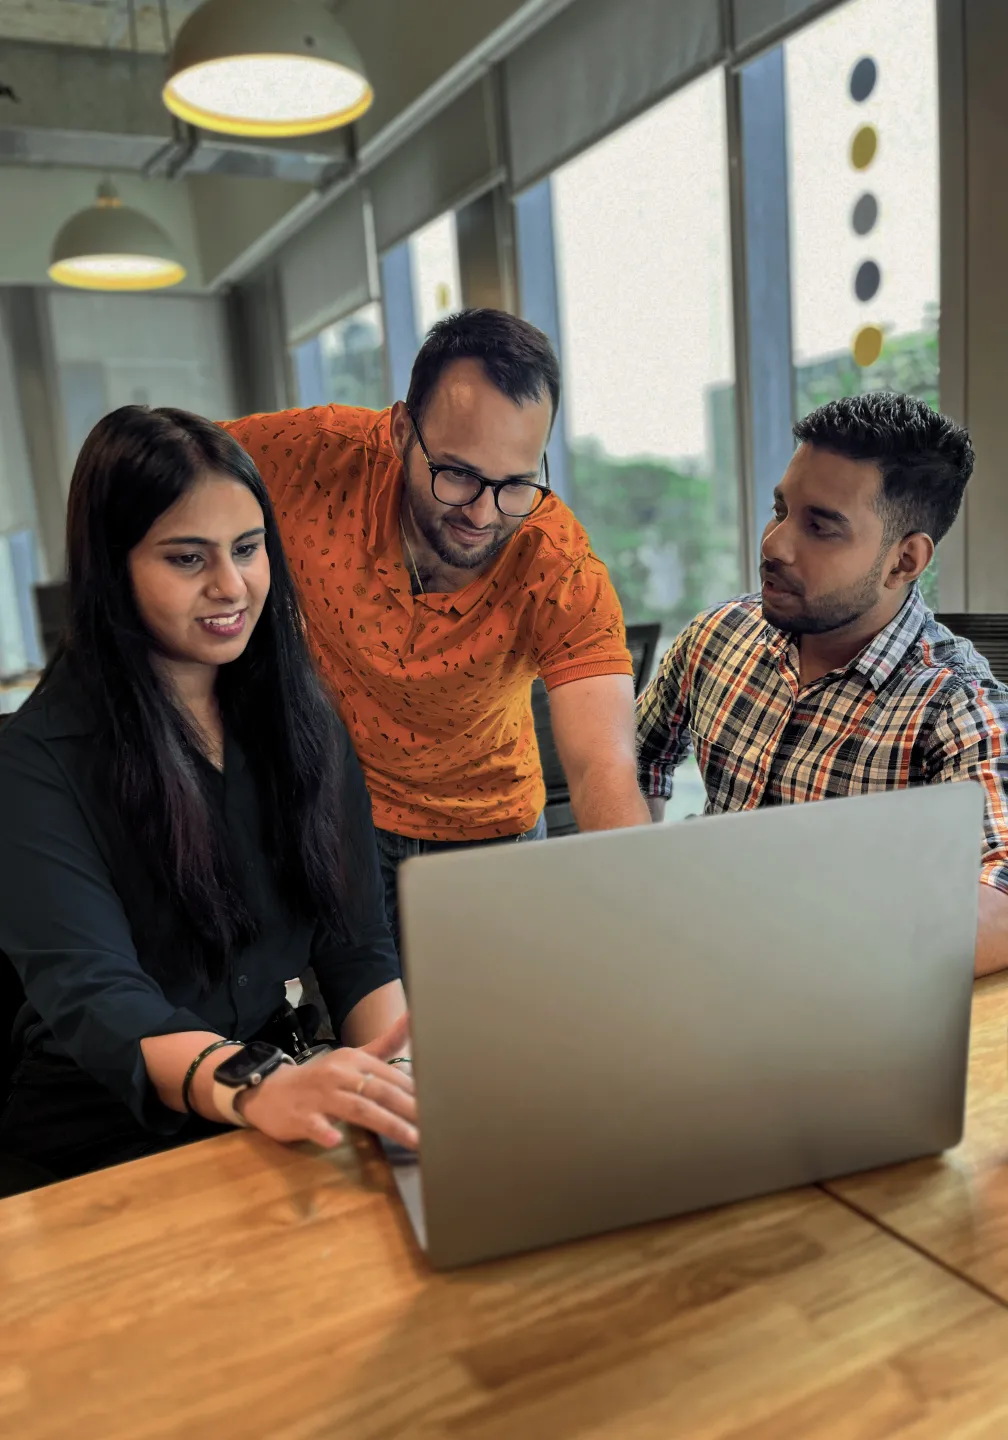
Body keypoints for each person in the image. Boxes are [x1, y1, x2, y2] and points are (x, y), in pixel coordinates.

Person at [0, 406, 418, 1187]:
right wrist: (258, 1085)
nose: (231, 586)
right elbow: (100, 997)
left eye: (249, 549)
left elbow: (356, 946)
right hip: (94, 1152)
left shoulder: (304, 722)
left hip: (272, 1119)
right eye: (187, 558)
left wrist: (405, 1085)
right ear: (113, 568)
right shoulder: (35, 762)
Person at [224, 309, 648, 944]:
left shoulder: (558, 565)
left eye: (515, 484)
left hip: (491, 834)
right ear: (401, 431)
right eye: (458, 473)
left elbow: (600, 766)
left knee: (502, 1034)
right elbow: (161, 468)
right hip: (339, 817)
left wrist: (642, 907)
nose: (483, 512)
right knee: (369, 1036)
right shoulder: (313, 458)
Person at [636, 392, 1008, 977]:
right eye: (780, 509)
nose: (774, 544)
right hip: (682, 968)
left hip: (831, 998)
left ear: (904, 561)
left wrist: (801, 953)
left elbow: (1003, 893)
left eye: (821, 527)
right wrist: (639, 892)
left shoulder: (954, 703)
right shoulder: (718, 635)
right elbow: (638, 758)